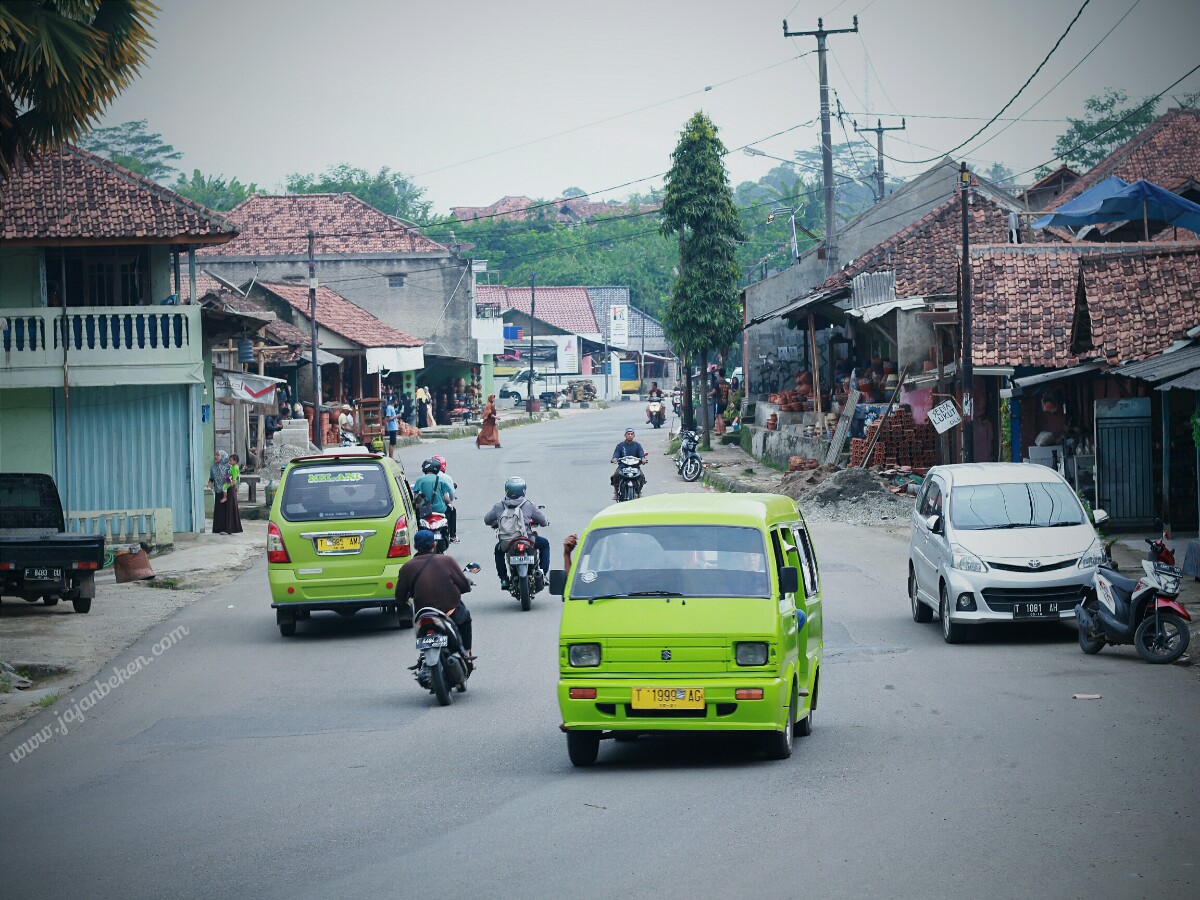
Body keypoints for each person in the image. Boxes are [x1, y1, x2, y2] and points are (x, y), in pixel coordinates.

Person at [393, 530, 474, 657]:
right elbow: (463, 586)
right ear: (434, 544)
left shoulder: (407, 567)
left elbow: (400, 597)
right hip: (449, 613)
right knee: (465, 619)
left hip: (423, 615)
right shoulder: (447, 561)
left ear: (415, 546)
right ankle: (467, 654)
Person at [483, 476, 550, 589]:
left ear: (507, 490)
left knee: (498, 551)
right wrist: (545, 523)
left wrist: (496, 523)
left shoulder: (499, 506)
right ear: (523, 490)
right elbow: (542, 521)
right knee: (545, 544)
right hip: (527, 539)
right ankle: (543, 573)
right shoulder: (528, 505)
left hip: (507, 543)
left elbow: (487, 520)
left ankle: (504, 578)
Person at [609, 428, 648, 500]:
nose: (630, 435)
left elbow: (641, 455)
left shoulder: (637, 445)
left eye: (631, 434)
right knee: (615, 475)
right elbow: (616, 454)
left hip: (635, 467)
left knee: (641, 476)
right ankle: (616, 493)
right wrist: (614, 459)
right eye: (628, 434)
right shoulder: (620, 445)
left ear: (634, 436)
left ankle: (639, 492)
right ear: (625, 435)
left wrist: (643, 459)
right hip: (623, 467)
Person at [431, 455, 459, 542]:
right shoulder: (446, 478)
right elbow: (450, 497)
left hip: (426, 508)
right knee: (452, 510)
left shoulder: (423, 478)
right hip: (441, 508)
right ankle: (452, 536)